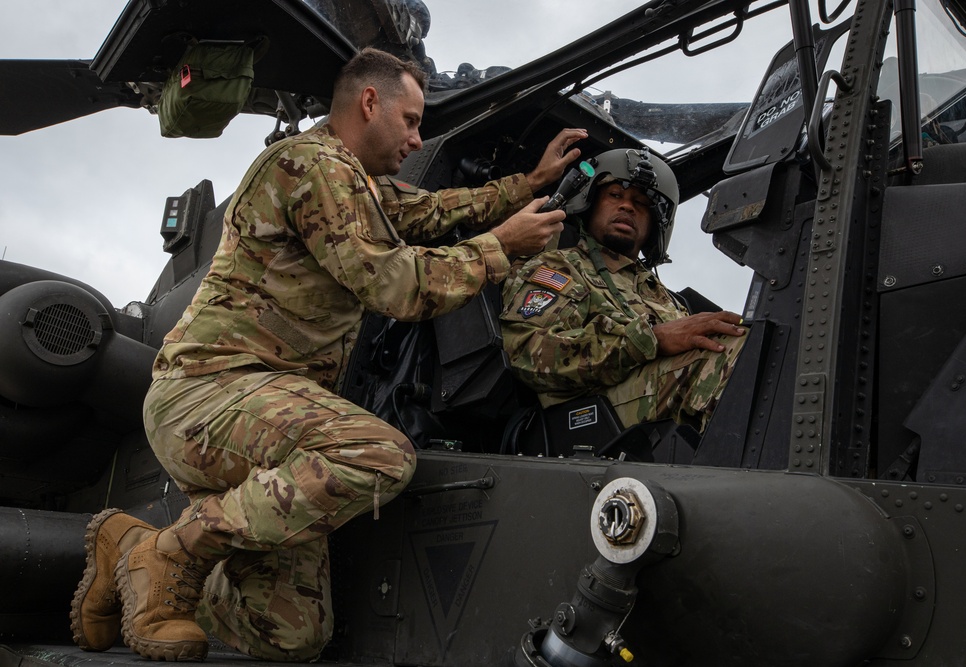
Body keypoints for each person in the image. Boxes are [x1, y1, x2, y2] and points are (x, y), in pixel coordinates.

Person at [68, 47, 586, 662]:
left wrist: (527, 185)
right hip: (210, 393)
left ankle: (132, 554)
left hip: (264, 417)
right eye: (413, 121)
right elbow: (396, 285)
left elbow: (432, 210)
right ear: (370, 102)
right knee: (378, 453)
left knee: (291, 638)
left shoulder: (357, 186)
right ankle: (171, 555)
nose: (418, 142)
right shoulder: (309, 164)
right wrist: (499, 248)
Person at [500, 147, 746, 434]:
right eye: (615, 196)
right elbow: (527, 353)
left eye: (641, 204)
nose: (627, 207)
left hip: (651, 399)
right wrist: (648, 340)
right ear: (590, 204)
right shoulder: (560, 267)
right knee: (719, 358)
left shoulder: (662, 296)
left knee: (750, 344)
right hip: (589, 415)